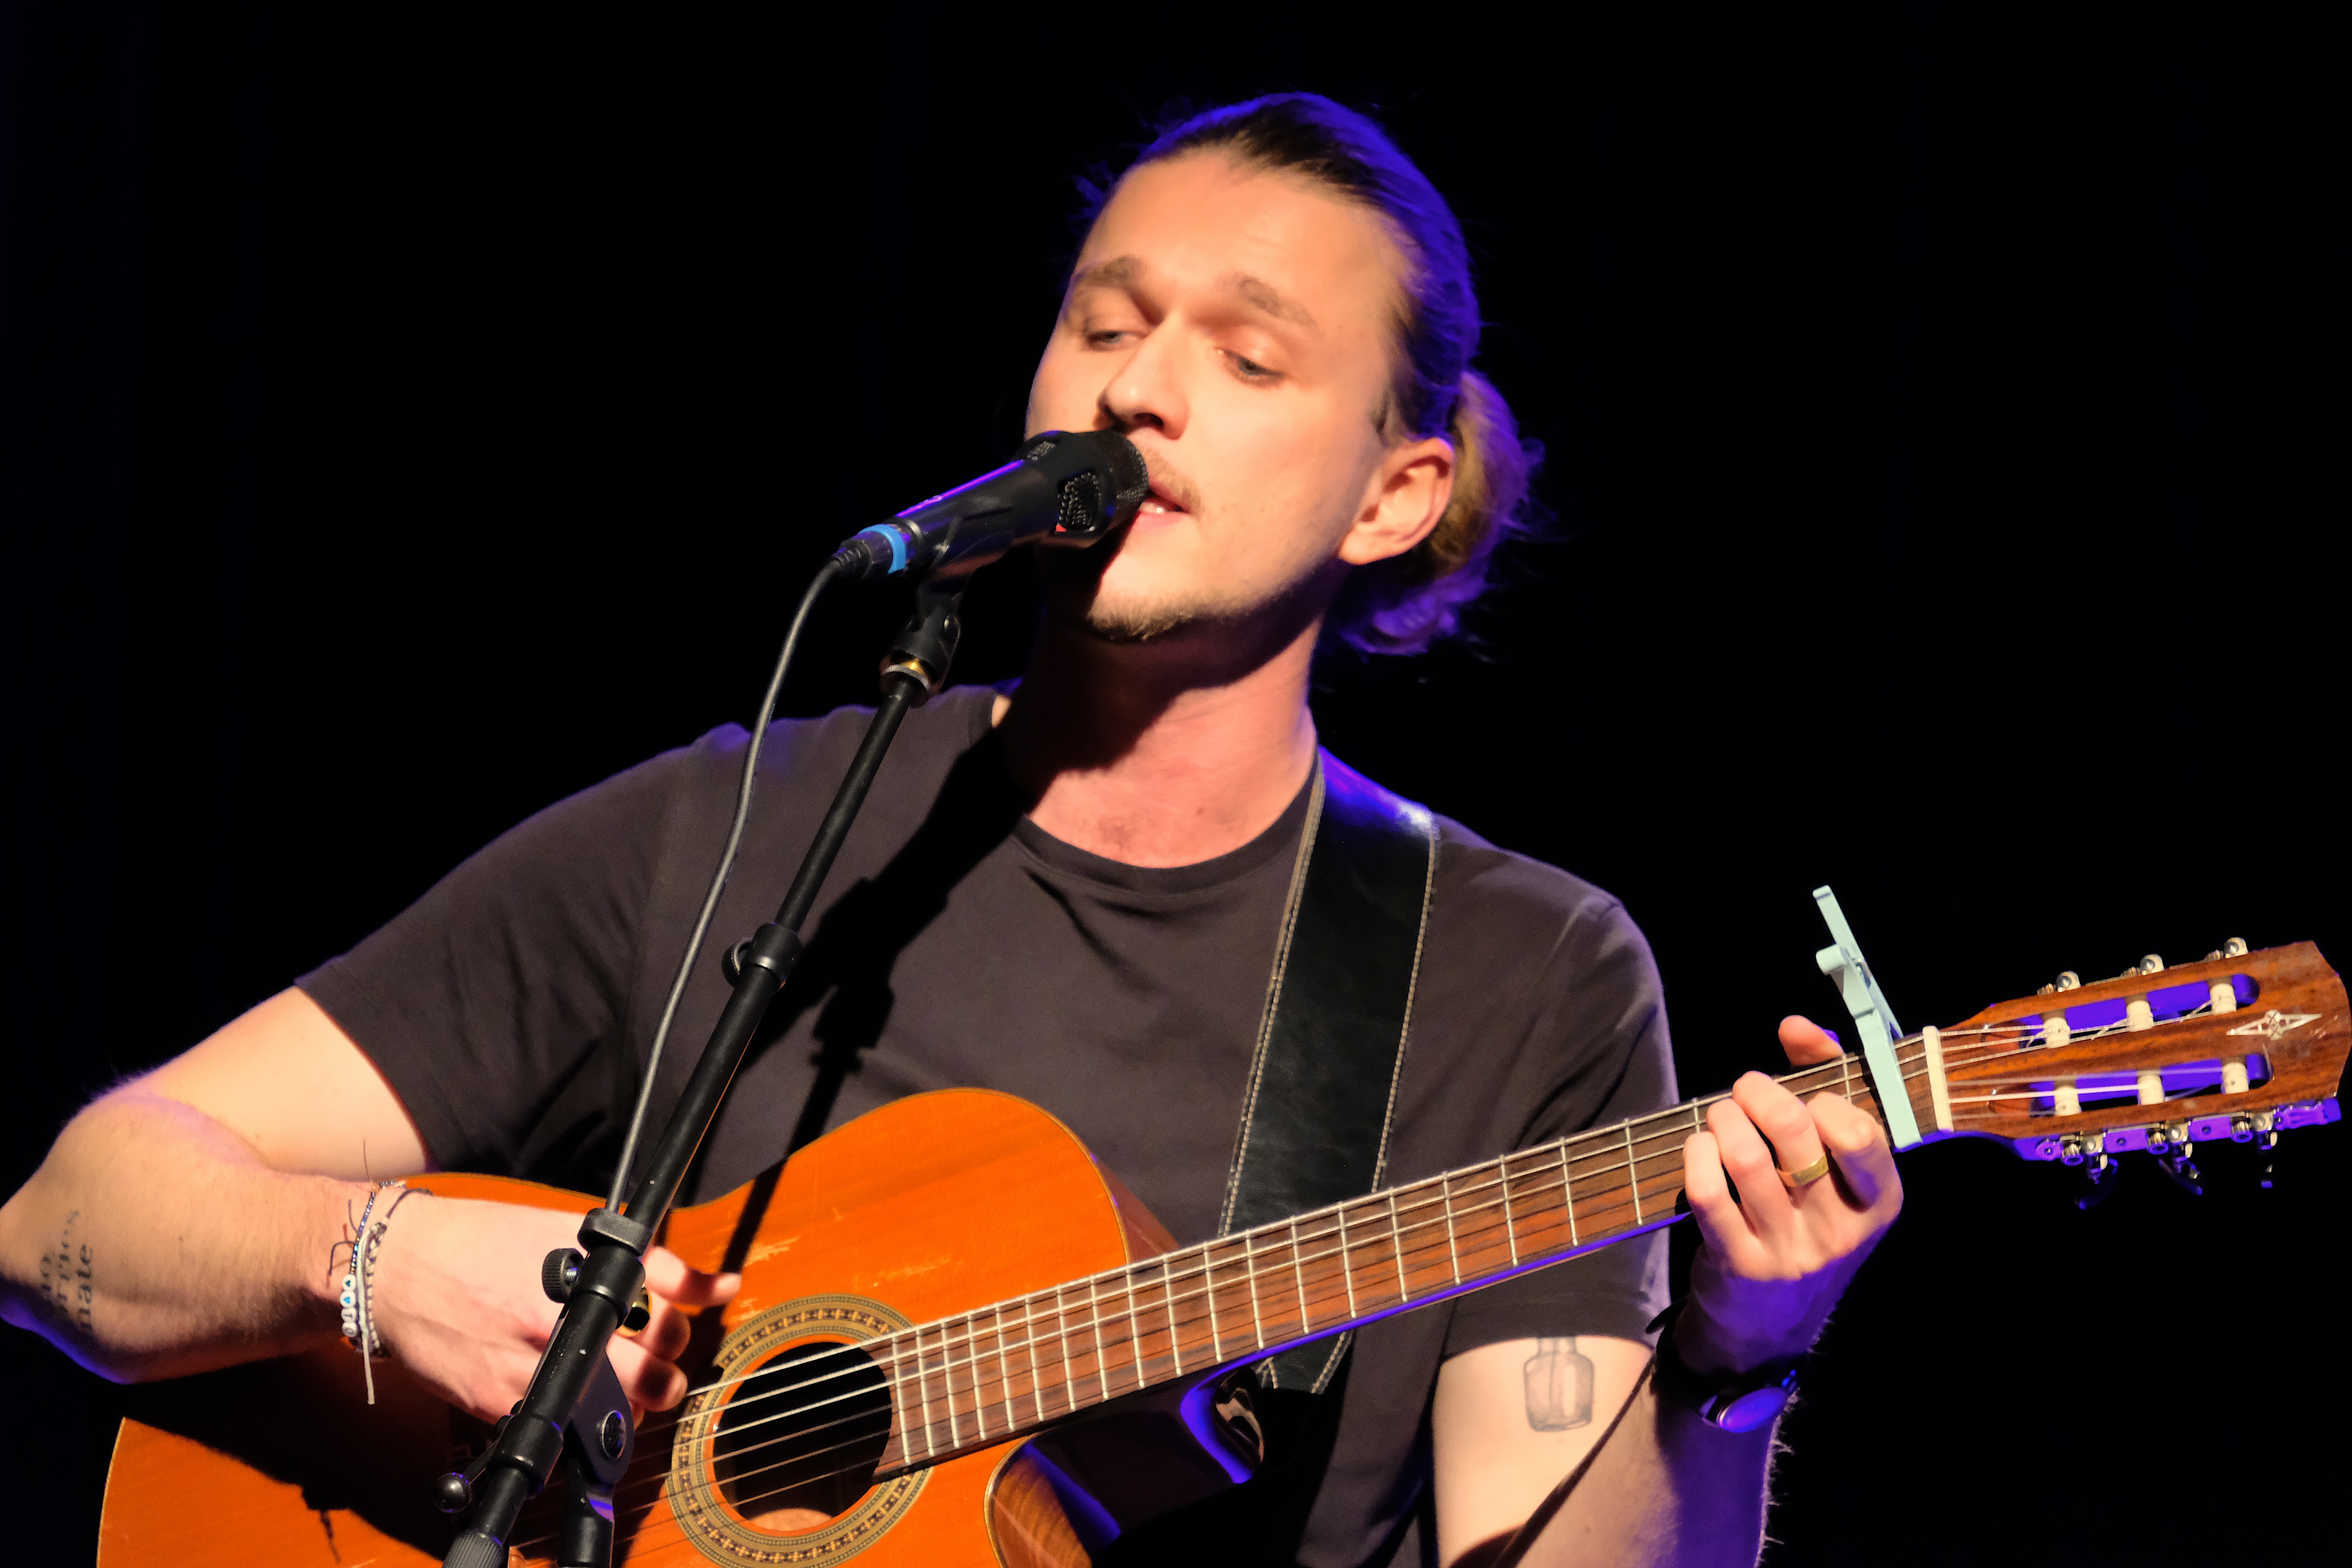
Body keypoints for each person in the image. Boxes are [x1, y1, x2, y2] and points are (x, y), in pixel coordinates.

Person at [0, 95, 1899, 1567]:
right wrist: (380, 1260)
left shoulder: (1520, 973)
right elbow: (68, 1218)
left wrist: (1739, 1363)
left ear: (1395, 497)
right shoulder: (746, 823)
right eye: (1105, 324)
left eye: (1248, 361)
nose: (1136, 389)